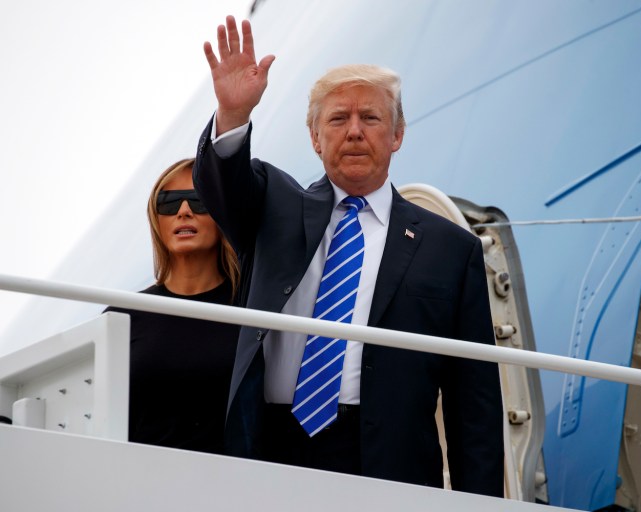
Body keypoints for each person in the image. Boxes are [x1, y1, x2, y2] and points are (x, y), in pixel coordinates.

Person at [193, 16, 504, 496]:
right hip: (275, 449)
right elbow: (224, 186)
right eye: (338, 119)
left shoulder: (450, 249)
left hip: (391, 463)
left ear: (397, 135)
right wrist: (232, 115)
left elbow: (473, 403)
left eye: (371, 118)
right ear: (315, 138)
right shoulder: (274, 206)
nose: (354, 131)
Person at [105, 158, 241, 454]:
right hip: (139, 475)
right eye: (168, 202)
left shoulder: (254, 310)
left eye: (199, 199)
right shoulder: (123, 316)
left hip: (235, 477)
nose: (183, 211)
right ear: (156, 220)